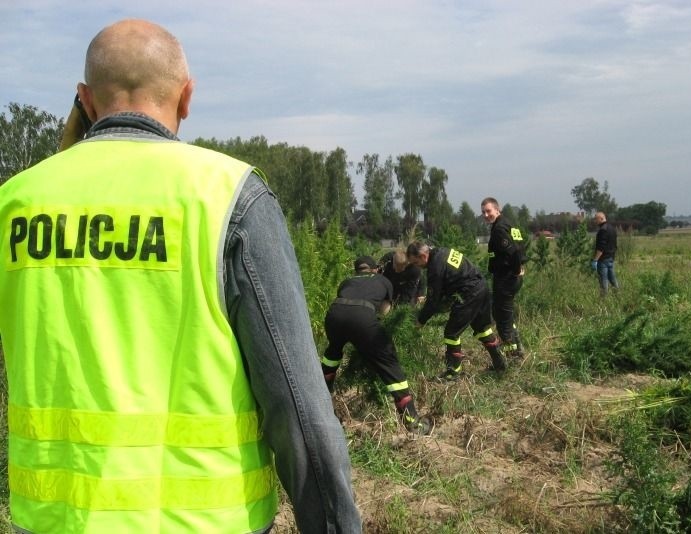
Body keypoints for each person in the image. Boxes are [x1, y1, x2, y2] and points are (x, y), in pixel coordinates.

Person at [0, 19, 361, 534]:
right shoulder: (228, 193)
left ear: (84, 97)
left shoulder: (15, 201)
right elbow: (298, 406)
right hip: (205, 521)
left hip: (51, 521)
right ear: (186, 96)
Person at [321, 256, 432, 435]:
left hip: (334, 316)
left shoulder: (346, 281)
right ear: (375, 269)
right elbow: (385, 310)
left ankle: (321, 404)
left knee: (332, 354)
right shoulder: (383, 280)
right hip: (362, 318)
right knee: (390, 365)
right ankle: (412, 421)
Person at [406, 241, 507, 380]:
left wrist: (420, 320)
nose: (417, 267)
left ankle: (453, 372)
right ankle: (500, 364)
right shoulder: (443, 250)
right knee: (482, 328)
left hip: (469, 293)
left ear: (423, 256)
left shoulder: (435, 267)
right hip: (481, 287)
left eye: (416, 262)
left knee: (451, 333)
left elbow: (432, 301)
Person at [480, 197, 527, 358]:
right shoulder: (508, 224)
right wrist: (521, 266)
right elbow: (520, 247)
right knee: (505, 315)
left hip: (506, 279)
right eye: (483, 212)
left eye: (488, 211)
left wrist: (515, 270)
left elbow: (513, 251)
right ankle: (517, 348)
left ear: (497, 209)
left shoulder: (499, 228)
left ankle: (512, 356)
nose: (486, 215)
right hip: (510, 277)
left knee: (502, 319)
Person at [591, 211, 620, 296]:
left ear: (601, 218)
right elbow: (614, 244)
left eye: (596, 219)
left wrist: (595, 260)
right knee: (612, 278)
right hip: (611, 257)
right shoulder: (612, 228)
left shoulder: (602, 230)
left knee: (603, 280)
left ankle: (604, 299)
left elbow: (601, 247)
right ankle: (618, 295)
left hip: (603, 259)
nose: (595, 221)